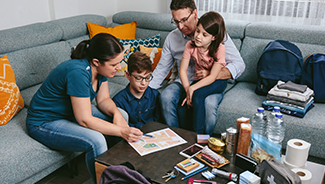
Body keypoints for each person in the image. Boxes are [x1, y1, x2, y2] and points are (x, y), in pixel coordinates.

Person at [26, 33, 143, 184]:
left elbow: (104, 100)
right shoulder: (78, 72)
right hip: (43, 122)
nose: (119, 68)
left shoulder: (101, 70)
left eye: (119, 62)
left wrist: (116, 113)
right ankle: (104, 180)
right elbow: (84, 119)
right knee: (97, 140)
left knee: (122, 114)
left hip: (68, 113)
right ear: (96, 62)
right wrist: (121, 131)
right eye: (114, 65)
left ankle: (120, 171)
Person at [149, 0, 245, 135]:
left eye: (184, 20)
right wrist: (143, 91)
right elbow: (162, 69)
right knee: (166, 97)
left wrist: (212, 74)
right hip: (184, 82)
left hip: (210, 82)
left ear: (195, 13)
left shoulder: (214, 32)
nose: (180, 26)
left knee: (208, 105)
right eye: (176, 21)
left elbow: (239, 65)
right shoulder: (173, 38)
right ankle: (177, 139)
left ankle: (203, 144)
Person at [179, 11, 228, 134]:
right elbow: (183, 70)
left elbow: (212, 77)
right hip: (199, 80)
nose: (198, 36)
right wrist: (187, 89)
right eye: (197, 31)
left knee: (198, 95)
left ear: (214, 37)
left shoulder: (219, 49)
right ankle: (186, 135)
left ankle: (199, 136)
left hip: (218, 81)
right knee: (183, 106)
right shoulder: (190, 46)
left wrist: (192, 89)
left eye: (204, 35)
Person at [113, 51, 161, 128]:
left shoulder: (155, 95)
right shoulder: (118, 101)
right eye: (138, 78)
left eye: (147, 77)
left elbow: (159, 122)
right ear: (128, 75)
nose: (144, 83)